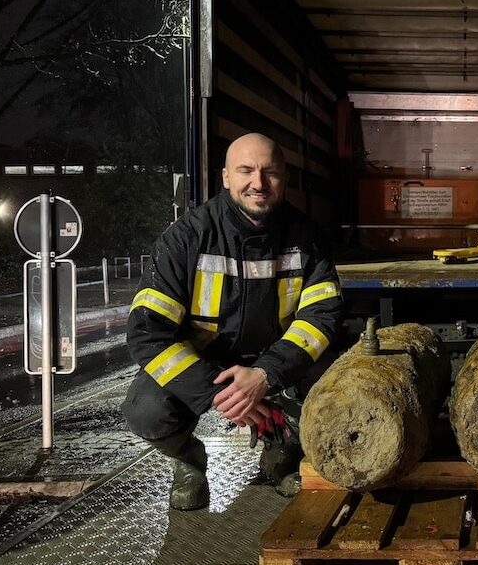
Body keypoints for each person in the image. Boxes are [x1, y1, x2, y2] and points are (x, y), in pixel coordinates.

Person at [122, 132, 343, 510]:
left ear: (284, 178)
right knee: (145, 409)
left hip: (275, 360)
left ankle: (284, 450)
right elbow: (147, 332)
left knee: (334, 381)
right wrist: (219, 393)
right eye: (246, 171)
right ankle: (189, 461)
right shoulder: (185, 239)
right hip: (206, 363)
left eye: (269, 172)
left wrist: (264, 376)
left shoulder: (308, 238)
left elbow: (321, 318)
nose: (258, 183)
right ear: (225, 177)